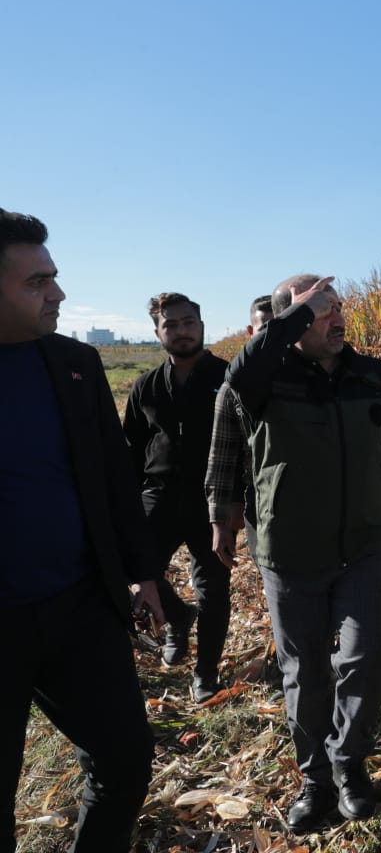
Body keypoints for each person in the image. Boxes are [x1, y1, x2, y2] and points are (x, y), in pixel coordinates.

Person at [0, 208, 163, 853]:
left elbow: (113, 478)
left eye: (55, 277)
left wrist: (143, 570)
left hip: (78, 606)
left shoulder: (74, 364)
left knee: (126, 759)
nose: (58, 294)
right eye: (37, 282)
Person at [226, 275, 381, 832]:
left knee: (365, 659)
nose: (336, 318)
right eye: (319, 310)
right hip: (292, 552)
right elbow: (238, 375)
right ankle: (314, 779)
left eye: (338, 307)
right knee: (304, 672)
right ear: (289, 321)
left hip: (365, 546)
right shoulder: (266, 377)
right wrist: (296, 316)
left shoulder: (370, 372)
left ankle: (348, 764)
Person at [123, 292, 231, 703]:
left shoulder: (228, 378)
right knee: (133, 564)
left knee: (213, 589)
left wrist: (235, 502)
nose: (181, 331)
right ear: (157, 332)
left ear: (201, 326)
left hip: (211, 499)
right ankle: (177, 618)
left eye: (188, 322)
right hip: (159, 494)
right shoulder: (146, 386)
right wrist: (127, 503)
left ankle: (206, 673)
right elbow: (131, 448)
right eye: (171, 325)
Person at [205, 295, 273, 563]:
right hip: (261, 504)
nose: (272, 338)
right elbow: (220, 459)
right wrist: (219, 523)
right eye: (265, 329)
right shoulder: (234, 388)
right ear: (250, 332)